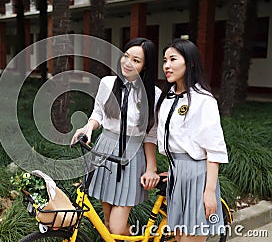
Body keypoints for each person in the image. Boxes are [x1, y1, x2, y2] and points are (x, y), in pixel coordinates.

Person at [71, 38, 161, 236]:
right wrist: (88, 127)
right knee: (107, 224)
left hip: (131, 156)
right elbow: (98, 114)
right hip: (105, 149)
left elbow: (150, 134)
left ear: (146, 66)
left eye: (136, 60)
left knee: (117, 227)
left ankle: (145, 238)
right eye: (126, 56)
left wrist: (151, 168)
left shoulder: (153, 94)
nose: (128, 63)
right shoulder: (107, 83)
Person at [156, 38, 229, 242]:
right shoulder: (167, 97)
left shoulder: (203, 100)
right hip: (176, 175)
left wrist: (210, 191)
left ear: (190, 62)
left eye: (172, 59)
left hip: (198, 177)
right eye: (164, 60)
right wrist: (172, 167)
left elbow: (213, 149)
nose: (166, 66)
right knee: (179, 238)